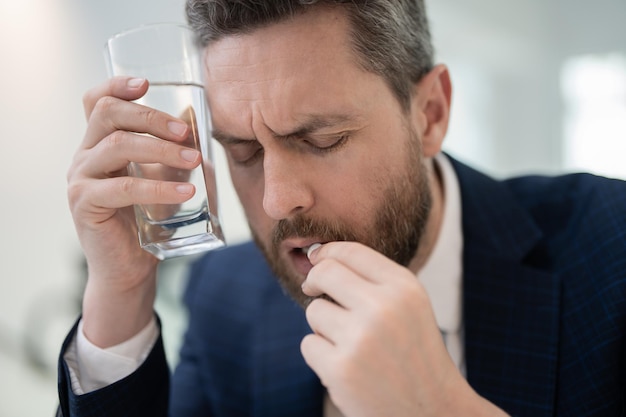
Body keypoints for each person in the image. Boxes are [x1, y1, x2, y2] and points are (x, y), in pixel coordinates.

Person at [57, 1, 626, 416]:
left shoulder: (612, 249)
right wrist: (120, 297)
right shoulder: (224, 297)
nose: (278, 200)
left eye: (321, 140)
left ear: (429, 113)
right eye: (245, 152)